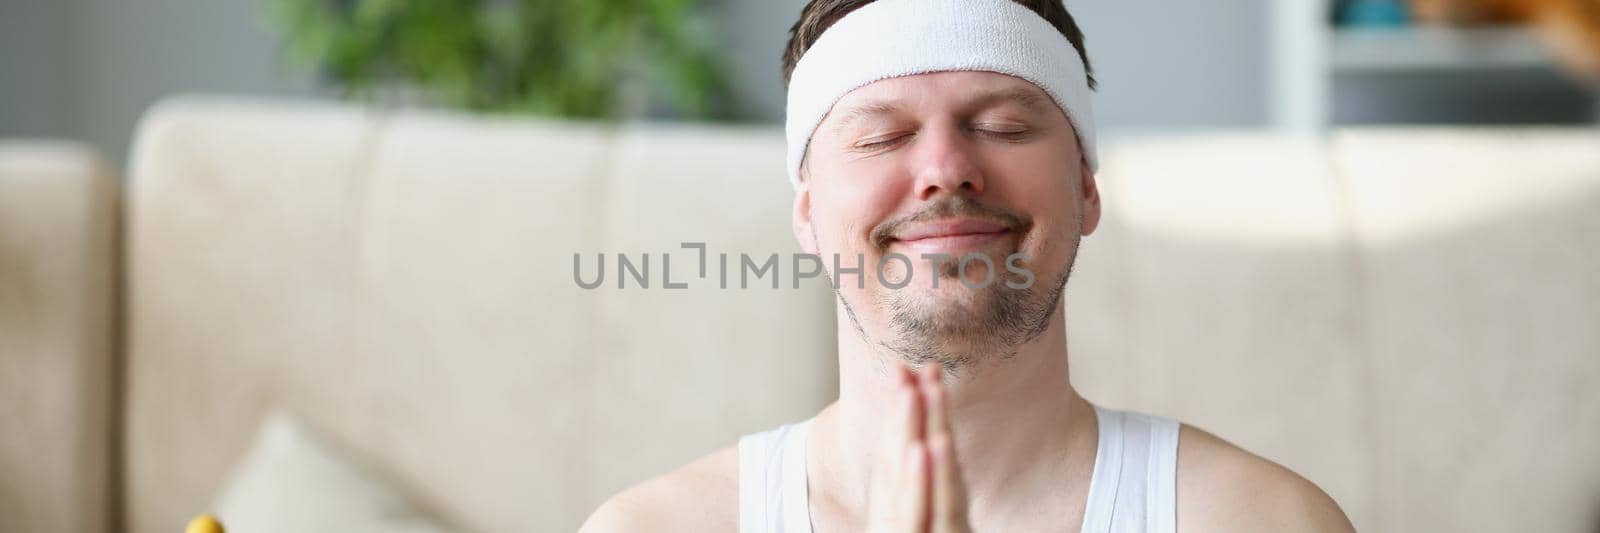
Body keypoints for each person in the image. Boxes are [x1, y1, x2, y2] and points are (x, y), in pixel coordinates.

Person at [582, 0, 1356, 531]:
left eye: (1003, 124)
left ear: (1086, 190)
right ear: (808, 214)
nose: (947, 168)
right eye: (883, 136)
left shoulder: (1260, 520)